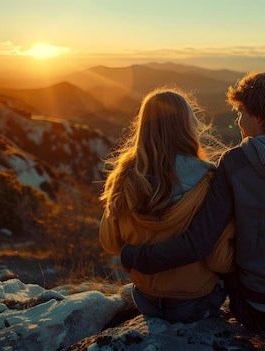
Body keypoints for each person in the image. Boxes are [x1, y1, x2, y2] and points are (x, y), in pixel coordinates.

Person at [119, 72, 265, 334]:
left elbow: (198, 244)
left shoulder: (235, 163)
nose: (238, 121)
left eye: (240, 112)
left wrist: (134, 256)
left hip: (250, 311)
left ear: (257, 117)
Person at [99, 87, 235, 323]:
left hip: (145, 299)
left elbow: (110, 242)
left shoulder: (123, 176)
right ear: (187, 127)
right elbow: (218, 260)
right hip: (193, 303)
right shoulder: (209, 180)